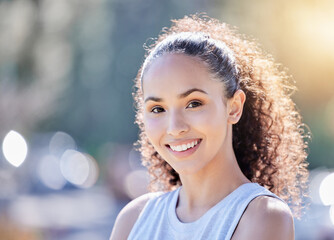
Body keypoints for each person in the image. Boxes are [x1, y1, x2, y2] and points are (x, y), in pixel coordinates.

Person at [110, 14, 309, 240]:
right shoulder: (133, 220)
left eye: (193, 104)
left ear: (234, 107)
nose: (175, 128)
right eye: (158, 109)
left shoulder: (263, 217)